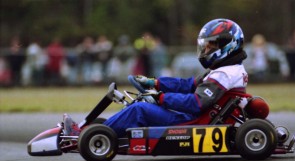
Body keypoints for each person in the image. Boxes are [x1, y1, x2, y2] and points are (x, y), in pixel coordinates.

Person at [64, 18, 249, 138]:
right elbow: (188, 85)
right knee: (139, 106)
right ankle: (94, 131)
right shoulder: (226, 69)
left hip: (192, 121)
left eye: (211, 46)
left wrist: (160, 97)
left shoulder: (225, 74)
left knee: (139, 110)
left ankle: (84, 135)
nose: (206, 50)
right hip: (196, 116)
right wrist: (155, 83)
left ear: (228, 45)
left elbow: (196, 103)